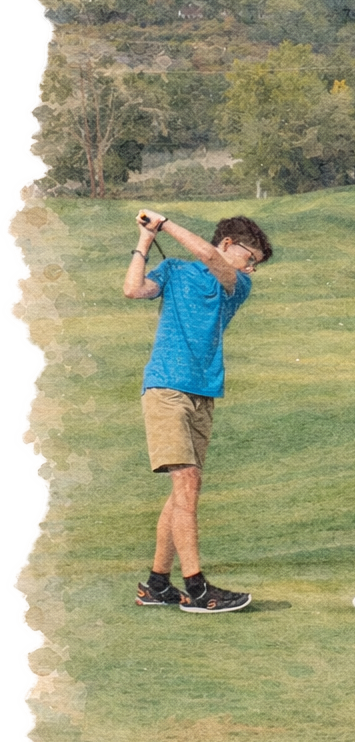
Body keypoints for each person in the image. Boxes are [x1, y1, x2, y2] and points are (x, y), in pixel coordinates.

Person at [124, 209, 273, 613]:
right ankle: (197, 589)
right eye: (251, 258)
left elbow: (209, 258)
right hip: (166, 389)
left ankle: (157, 585)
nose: (251, 269)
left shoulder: (236, 284)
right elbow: (133, 290)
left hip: (202, 394)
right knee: (186, 487)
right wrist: (145, 239)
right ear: (230, 244)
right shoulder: (172, 269)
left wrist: (164, 223)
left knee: (182, 493)